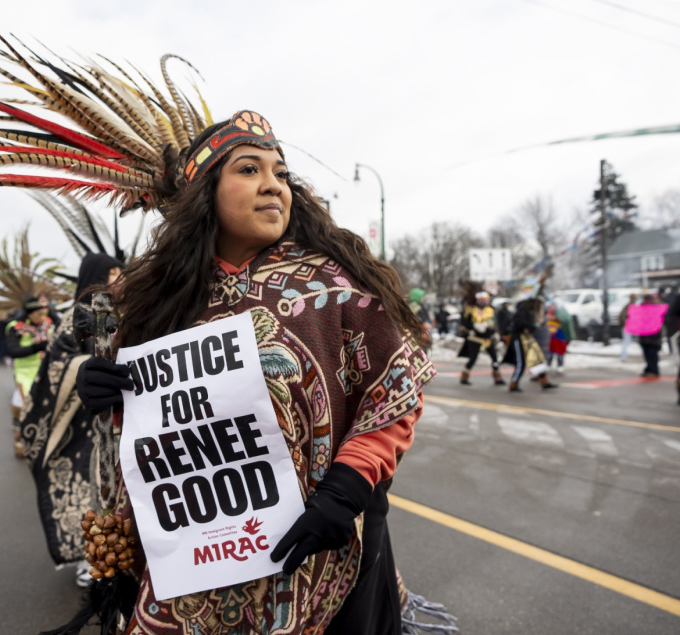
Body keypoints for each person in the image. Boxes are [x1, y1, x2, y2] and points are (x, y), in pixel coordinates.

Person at [75, 112, 435, 634]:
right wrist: (108, 393)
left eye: (281, 173)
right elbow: (155, 428)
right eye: (249, 169)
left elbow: (393, 393)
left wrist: (346, 489)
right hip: (192, 568)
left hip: (315, 554)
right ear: (205, 194)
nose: (273, 185)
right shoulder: (156, 299)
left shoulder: (333, 287)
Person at [19, 252, 122, 587]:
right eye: (111, 273)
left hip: (115, 419)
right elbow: (58, 363)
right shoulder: (76, 315)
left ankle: (115, 559)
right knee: (89, 494)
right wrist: (89, 370)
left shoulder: (120, 307)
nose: (118, 278)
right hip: (80, 424)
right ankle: (89, 561)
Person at [5, 295, 53, 458]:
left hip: (46, 371)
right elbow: (13, 351)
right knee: (22, 408)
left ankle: (41, 442)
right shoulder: (16, 328)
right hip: (24, 374)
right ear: (30, 314)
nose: (43, 317)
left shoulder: (49, 324)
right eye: (39, 314)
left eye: (44, 313)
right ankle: (20, 440)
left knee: (45, 408)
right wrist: (37, 347)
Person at [502, 298, 558, 392]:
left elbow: (530, 327)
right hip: (519, 339)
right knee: (521, 362)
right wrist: (532, 325)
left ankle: (544, 381)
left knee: (537, 358)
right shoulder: (521, 313)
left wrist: (534, 326)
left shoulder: (529, 313)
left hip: (528, 338)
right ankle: (513, 383)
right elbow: (520, 325)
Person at [457, 290, 505, 386]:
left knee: (494, 357)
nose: (484, 302)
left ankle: (497, 376)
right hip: (475, 338)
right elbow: (465, 323)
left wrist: (494, 331)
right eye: (482, 300)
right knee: (473, 358)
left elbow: (494, 323)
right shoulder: (471, 310)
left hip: (487, 338)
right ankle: (464, 376)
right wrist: (472, 328)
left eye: (485, 300)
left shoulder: (490, 310)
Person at [629, 294, 668, 378]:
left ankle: (654, 370)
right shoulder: (641, 308)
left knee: (652, 354)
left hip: (653, 336)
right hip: (645, 336)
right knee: (647, 354)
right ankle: (649, 369)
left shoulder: (656, 308)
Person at [547, 302, 575, 374]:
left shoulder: (562, 313)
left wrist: (555, 318)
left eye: (553, 305)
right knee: (550, 352)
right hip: (552, 337)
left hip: (560, 337)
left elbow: (564, 320)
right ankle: (548, 365)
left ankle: (560, 366)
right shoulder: (550, 312)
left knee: (560, 352)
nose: (552, 307)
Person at [619, 293, 638, 362]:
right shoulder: (631, 306)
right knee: (626, 341)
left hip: (626, 326)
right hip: (627, 326)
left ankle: (623, 356)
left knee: (627, 341)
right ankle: (623, 356)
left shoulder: (627, 306)